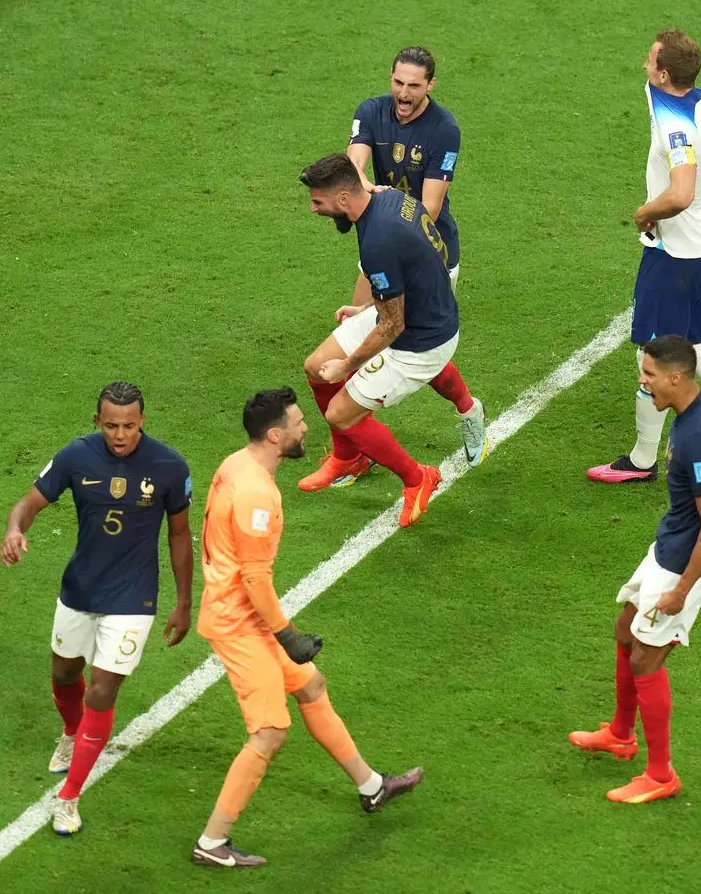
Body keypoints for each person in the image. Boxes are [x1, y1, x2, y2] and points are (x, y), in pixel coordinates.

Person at [192, 388, 422, 868]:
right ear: (275, 435)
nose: (305, 428)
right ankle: (212, 842)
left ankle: (372, 786)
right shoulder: (255, 492)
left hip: (243, 612)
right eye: (297, 423)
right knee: (271, 731)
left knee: (311, 686)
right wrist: (287, 634)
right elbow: (254, 579)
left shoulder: (237, 464)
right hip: (238, 622)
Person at [0, 381, 194, 835]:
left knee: (102, 690)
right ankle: (71, 733)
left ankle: (68, 797)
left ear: (142, 421)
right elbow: (27, 505)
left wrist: (184, 603)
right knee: (65, 674)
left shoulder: (168, 466)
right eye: (111, 425)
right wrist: (13, 530)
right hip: (81, 590)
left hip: (133, 597)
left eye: (129, 425)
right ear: (97, 422)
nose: (120, 434)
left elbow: (179, 535)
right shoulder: (76, 456)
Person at [587, 29, 701, 491]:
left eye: (651, 61)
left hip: (673, 257)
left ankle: (642, 459)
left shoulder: (675, 121)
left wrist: (647, 211)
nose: (645, 66)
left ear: (664, 73)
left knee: (651, 356)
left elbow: (683, 192)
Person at [300, 46, 486, 492]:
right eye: (398, 83)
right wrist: (364, 190)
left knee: (414, 339)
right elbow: (354, 161)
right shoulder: (372, 112)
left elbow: (431, 205)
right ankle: (350, 457)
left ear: (431, 86)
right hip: (380, 237)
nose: (403, 93)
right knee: (379, 332)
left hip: (428, 250)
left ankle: (466, 408)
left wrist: (384, 204)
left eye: (414, 86)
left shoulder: (443, 129)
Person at [570, 336, 701, 802]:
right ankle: (622, 733)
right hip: (669, 547)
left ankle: (661, 775)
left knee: (646, 655)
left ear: (676, 377)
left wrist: (681, 591)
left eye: (649, 375)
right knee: (626, 628)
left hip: (689, 563)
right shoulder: (693, 412)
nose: (643, 383)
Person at [298, 152, 464, 527]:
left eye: (318, 202)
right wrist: (368, 309)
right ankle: (348, 457)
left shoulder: (378, 241)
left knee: (340, 411)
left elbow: (393, 326)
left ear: (344, 198)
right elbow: (411, 269)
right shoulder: (389, 198)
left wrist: (348, 364)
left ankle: (418, 477)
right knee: (314, 368)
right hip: (409, 309)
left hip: (422, 342)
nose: (314, 210)